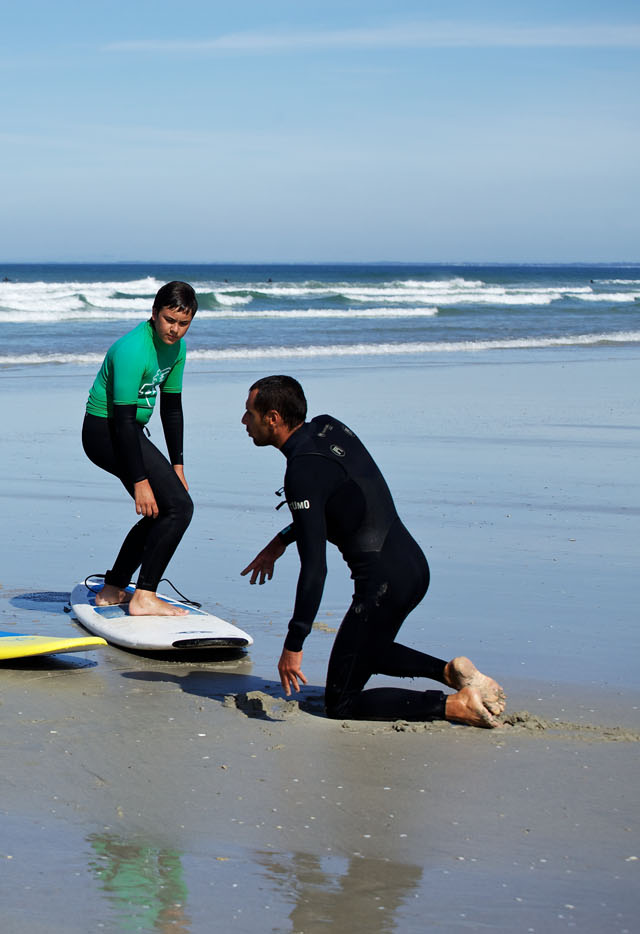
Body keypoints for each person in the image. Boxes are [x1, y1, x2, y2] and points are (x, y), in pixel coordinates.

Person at [239, 375, 507, 726]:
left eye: (249, 414)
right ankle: (451, 672)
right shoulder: (329, 427)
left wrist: (294, 643)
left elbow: (315, 569)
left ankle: (454, 706)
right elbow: (340, 501)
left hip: (382, 585)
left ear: (272, 418)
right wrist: (281, 540)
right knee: (364, 649)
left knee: (342, 702)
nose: (245, 422)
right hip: (412, 567)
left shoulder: (301, 472)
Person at [81, 281, 198, 616]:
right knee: (180, 509)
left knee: (163, 510)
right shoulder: (132, 349)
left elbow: (172, 408)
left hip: (129, 431)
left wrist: (178, 466)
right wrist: (140, 481)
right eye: (169, 320)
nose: (175, 330)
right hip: (105, 432)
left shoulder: (178, 349)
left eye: (183, 323)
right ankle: (145, 595)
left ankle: (114, 588)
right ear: (154, 313)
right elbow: (120, 421)